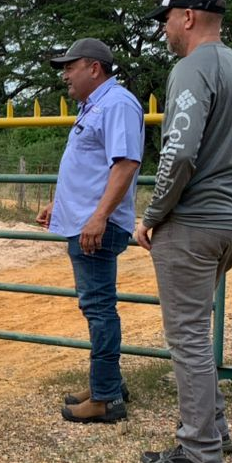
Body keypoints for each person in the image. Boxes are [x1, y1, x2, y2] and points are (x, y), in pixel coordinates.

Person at [135, 0, 232, 463]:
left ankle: (200, 452)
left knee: (186, 337)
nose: (164, 29)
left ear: (187, 17)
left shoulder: (191, 68)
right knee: (196, 334)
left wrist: (152, 215)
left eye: (166, 19)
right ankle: (215, 430)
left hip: (192, 224)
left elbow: (180, 151)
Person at [37, 39, 144, 424]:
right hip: (87, 222)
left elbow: (126, 163)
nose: (65, 75)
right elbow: (91, 166)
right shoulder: (97, 105)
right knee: (97, 307)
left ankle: (106, 398)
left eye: (71, 66)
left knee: (99, 309)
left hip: (97, 227)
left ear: (94, 68)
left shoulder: (116, 104)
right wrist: (60, 203)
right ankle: (108, 382)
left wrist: (99, 217)